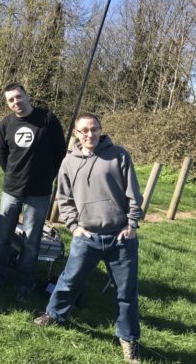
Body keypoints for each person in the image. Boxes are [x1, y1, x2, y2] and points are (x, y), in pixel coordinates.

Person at [34, 112, 143, 364]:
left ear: (100, 130)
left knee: (126, 293)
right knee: (69, 280)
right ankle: (54, 314)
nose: (90, 134)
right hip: (87, 236)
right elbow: (64, 198)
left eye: (94, 129)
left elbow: (133, 194)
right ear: (76, 133)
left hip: (120, 238)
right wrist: (73, 226)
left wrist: (132, 223)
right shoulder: (69, 162)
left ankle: (129, 339)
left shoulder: (118, 155)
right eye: (84, 130)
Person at [0, 83, 67, 302]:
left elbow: (60, 152)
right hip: (11, 190)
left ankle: (24, 285)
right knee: (3, 237)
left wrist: (46, 176)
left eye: (18, 97)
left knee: (31, 242)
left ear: (27, 95)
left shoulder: (47, 119)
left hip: (39, 192)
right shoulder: (6, 123)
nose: (16, 102)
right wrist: (13, 174)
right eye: (11, 100)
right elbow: (2, 155)